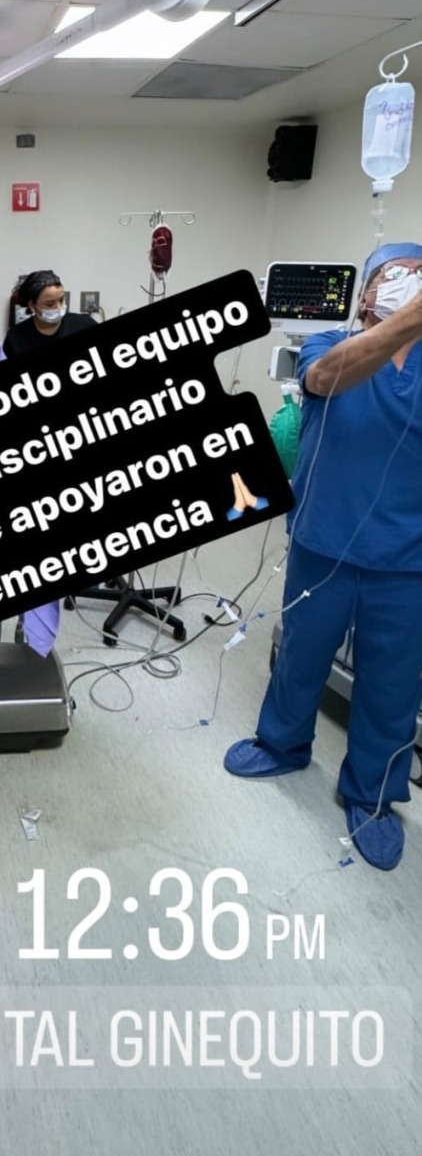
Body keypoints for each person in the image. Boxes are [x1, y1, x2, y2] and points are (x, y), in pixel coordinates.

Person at [224, 241, 422, 872]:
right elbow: (324, 379)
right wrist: (409, 318)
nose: (409, 283)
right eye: (395, 275)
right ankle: (282, 745)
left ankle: (372, 795)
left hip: (409, 560)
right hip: (324, 540)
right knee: (301, 655)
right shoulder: (327, 344)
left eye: (418, 276)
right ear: (365, 293)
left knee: (393, 686)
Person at [2, 270, 95, 359]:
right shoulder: (15, 339)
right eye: (50, 304)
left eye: (61, 300)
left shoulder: (85, 325)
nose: (58, 307)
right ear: (32, 305)